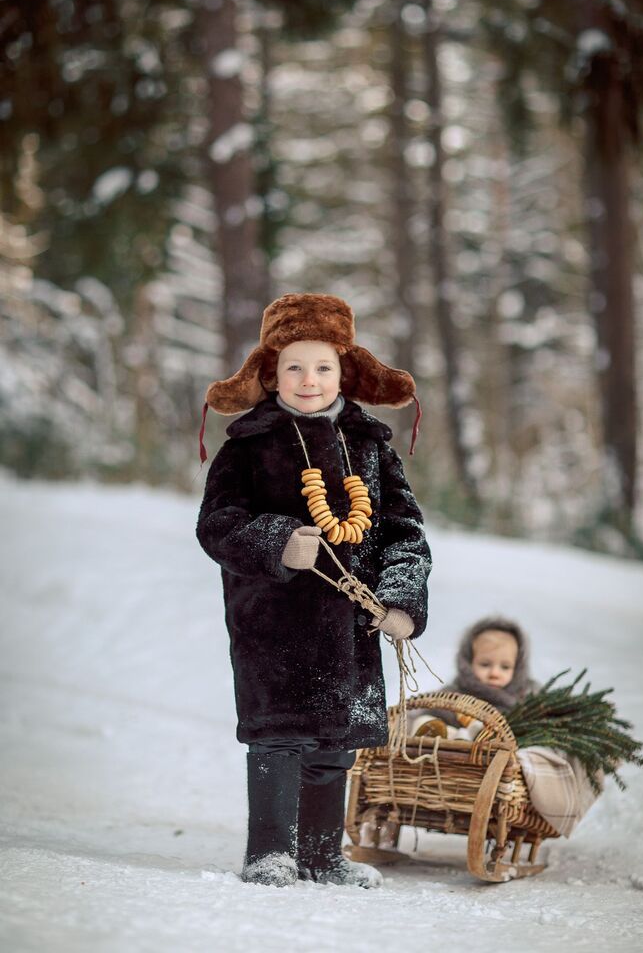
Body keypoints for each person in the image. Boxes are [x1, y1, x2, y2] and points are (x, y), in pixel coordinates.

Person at [196, 293, 432, 888]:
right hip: (271, 622)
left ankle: (323, 855)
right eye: (294, 367)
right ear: (270, 373)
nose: (309, 379)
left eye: (323, 367)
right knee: (279, 738)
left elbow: (404, 533)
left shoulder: (372, 446)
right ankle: (271, 852)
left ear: (344, 372)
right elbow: (217, 524)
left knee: (334, 745)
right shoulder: (247, 445)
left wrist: (401, 600)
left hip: (351, 626)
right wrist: (276, 541)